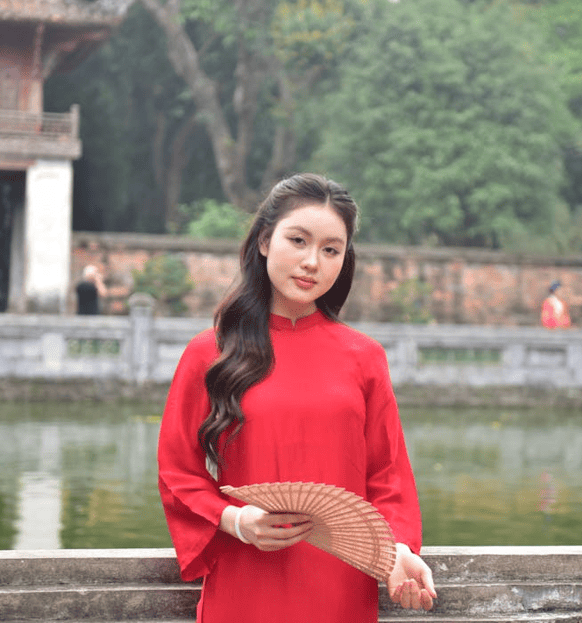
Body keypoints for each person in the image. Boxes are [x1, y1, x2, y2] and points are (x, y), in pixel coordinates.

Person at [157, 173, 435, 622]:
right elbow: (178, 471)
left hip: (340, 585)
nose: (312, 262)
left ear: (345, 260)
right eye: (298, 241)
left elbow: (388, 477)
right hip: (244, 578)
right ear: (265, 240)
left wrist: (398, 550)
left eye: (331, 250)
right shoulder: (210, 353)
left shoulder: (365, 358)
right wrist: (236, 521)